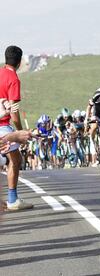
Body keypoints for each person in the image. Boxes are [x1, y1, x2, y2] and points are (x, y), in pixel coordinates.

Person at [0, 45, 33, 210]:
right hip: (3, 126)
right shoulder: (13, 79)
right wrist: (20, 131)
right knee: (16, 159)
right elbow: (13, 112)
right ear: (19, 62)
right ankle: (12, 199)